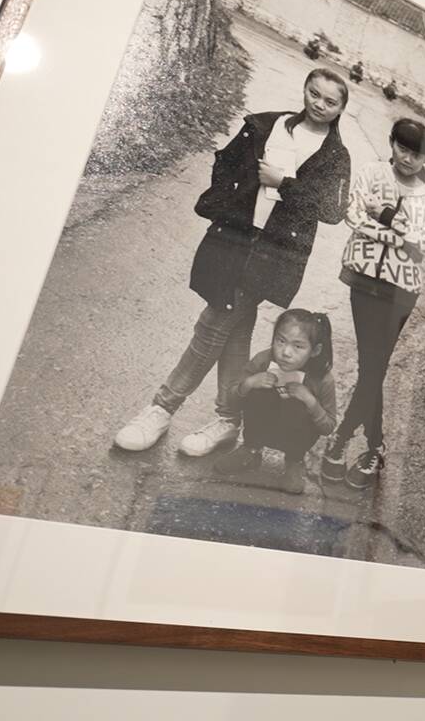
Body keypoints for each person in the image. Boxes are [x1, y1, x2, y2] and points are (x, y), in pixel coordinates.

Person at [113, 69, 353, 455]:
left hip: (274, 253)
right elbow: (225, 162)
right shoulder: (269, 125)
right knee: (235, 330)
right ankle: (228, 419)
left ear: (341, 109)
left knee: (212, 325)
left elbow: (332, 210)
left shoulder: (336, 156)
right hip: (236, 237)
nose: (319, 104)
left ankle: (162, 407)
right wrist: (228, 203)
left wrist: (283, 183)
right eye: (314, 93)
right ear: (305, 90)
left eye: (330, 101)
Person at [321, 118, 425, 489]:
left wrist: (388, 218)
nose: (407, 158)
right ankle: (374, 445)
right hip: (364, 279)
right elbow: (354, 215)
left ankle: (345, 436)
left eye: (417, 154)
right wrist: (402, 238)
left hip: (401, 291)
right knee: (371, 367)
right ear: (391, 142)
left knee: (373, 367)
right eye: (402, 148)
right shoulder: (372, 174)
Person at [213, 308, 338, 494]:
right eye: (281, 341)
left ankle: (294, 461)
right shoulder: (263, 361)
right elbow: (231, 401)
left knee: (300, 405)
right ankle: (251, 450)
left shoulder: (323, 379)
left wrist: (311, 401)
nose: (286, 352)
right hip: (262, 424)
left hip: (297, 435)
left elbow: (328, 427)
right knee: (258, 391)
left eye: (298, 346)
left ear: (315, 350)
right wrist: (249, 383)